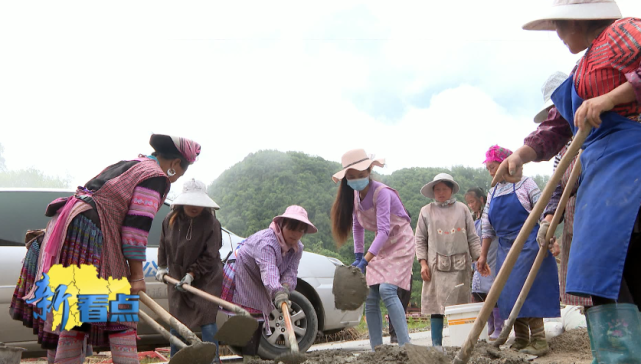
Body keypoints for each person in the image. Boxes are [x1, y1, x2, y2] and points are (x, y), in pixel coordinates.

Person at [494, 1, 641, 359]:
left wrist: (611, 97)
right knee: (605, 271)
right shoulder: (583, 66)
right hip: (602, 174)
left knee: (626, 262)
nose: (558, 34)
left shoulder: (624, 31)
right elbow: (561, 124)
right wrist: (521, 154)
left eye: (560, 25)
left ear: (580, 21)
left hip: (631, 160)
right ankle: (617, 356)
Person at [9, 134, 200, 364]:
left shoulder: (134, 164)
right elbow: (135, 230)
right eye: (180, 173)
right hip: (90, 234)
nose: (176, 178)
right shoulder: (156, 177)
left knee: (78, 314)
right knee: (119, 311)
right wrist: (137, 277)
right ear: (176, 163)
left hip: (74, 229)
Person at [477, 145, 560, 356]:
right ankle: (521, 339)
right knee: (510, 293)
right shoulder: (492, 192)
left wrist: (550, 238)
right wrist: (483, 254)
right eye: (488, 168)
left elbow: (544, 210)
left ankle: (539, 340)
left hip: (529, 244)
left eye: (494, 166)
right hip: (505, 248)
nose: (492, 172)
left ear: (508, 164)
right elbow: (487, 226)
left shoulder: (526, 184)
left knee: (529, 290)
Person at [330, 149, 414, 350]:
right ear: (346, 179)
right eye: (352, 177)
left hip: (400, 242)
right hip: (381, 247)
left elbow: (384, 230)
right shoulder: (355, 197)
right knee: (371, 295)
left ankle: (405, 344)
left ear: (369, 171)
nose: (357, 179)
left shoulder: (382, 193)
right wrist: (358, 254)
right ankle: (377, 348)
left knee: (387, 289)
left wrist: (366, 260)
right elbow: (358, 225)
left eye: (361, 175)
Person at [220, 205, 317, 362]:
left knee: (258, 312)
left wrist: (285, 288)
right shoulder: (267, 242)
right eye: (292, 228)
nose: (295, 234)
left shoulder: (297, 248)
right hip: (245, 269)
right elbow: (269, 269)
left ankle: (249, 354)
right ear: (282, 225)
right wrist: (277, 291)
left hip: (262, 275)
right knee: (252, 311)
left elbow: (291, 272)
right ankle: (248, 357)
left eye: (300, 230)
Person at [155, 179, 223, 362]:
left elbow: (210, 256)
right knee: (176, 322)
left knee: (207, 321)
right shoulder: (169, 220)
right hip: (177, 277)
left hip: (206, 278)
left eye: (199, 203)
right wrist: (162, 267)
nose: (195, 207)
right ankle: (177, 359)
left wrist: (192, 275)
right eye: (191, 202)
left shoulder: (211, 224)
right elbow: (163, 245)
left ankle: (213, 360)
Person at [535, 72, 588, 307]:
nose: (555, 117)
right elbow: (558, 187)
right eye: (551, 114)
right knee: (584, 290)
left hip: (598, 211)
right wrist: (548, 221)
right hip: (573, 222)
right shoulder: (562, 148)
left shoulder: (593, 128)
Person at [415, 173, 482, 351]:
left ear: (451, 190)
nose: (441, 192)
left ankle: (461, 344)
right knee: (436, 306)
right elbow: (420, 239)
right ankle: (436, 345)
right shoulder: (426, 211)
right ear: (432, 192)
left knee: (460, 306)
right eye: (437, 189)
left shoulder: (462, 209)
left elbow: (472, 237)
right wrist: (423, 263)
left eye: (444, 189)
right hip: (435, 267)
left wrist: (479, 258)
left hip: (460, 266)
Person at [465, 187, 503, 340]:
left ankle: (499, 326)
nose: (471, 205)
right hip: (479, 259)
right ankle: (491, 325)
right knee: (479, 291)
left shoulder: (489, 216)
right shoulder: (475, 220)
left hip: (492, 256)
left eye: (472, 201)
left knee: (492, 291)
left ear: (481, 200)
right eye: (468, 203)